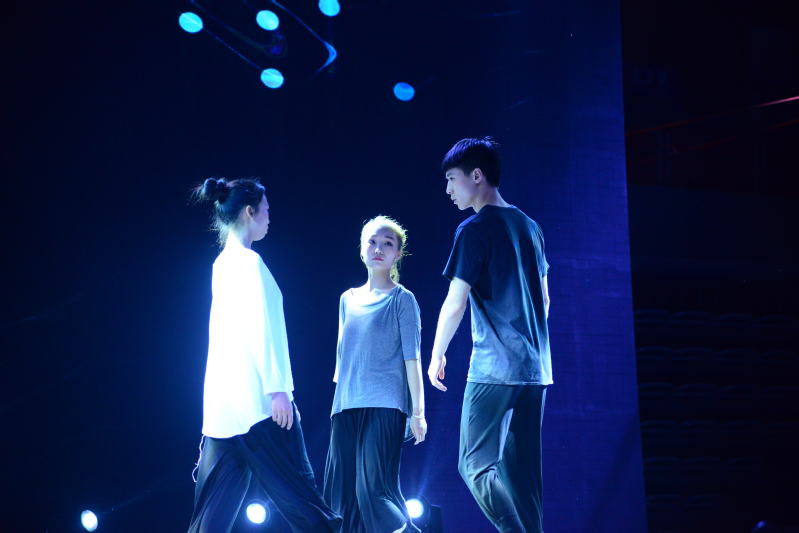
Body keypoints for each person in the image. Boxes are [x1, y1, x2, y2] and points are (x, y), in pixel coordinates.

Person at [188, 177, 341, 533]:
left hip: (223, 414)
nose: (270, 218)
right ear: (249, 212)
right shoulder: (250, 263)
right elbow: (261, 329)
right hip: (259, 407)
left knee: (209, 522)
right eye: (267, 211)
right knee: (308, 508)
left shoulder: (221, 265)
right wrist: (278, 389)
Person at [427, 138, 552, 533]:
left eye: (452, 179)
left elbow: (456, 302)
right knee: (524, 479)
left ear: (476, 176)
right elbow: (545, 300)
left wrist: (437, 352)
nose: (448, 189)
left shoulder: (474, 228)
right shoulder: (530, 226)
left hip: (495, 368)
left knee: (474, 464)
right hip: (536, 370)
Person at [324, 215, 426, 533]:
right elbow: (342, 362)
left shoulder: (402, 300)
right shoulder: (347, 299)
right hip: (345, 408)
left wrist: (418, 413)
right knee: (342, 500)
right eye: (372, 242)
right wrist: (337, 408)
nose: (379, 248)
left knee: (374, 492)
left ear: (398, 254)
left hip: (385, 405)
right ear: (361, 249)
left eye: (387, 243)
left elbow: (412, 359)